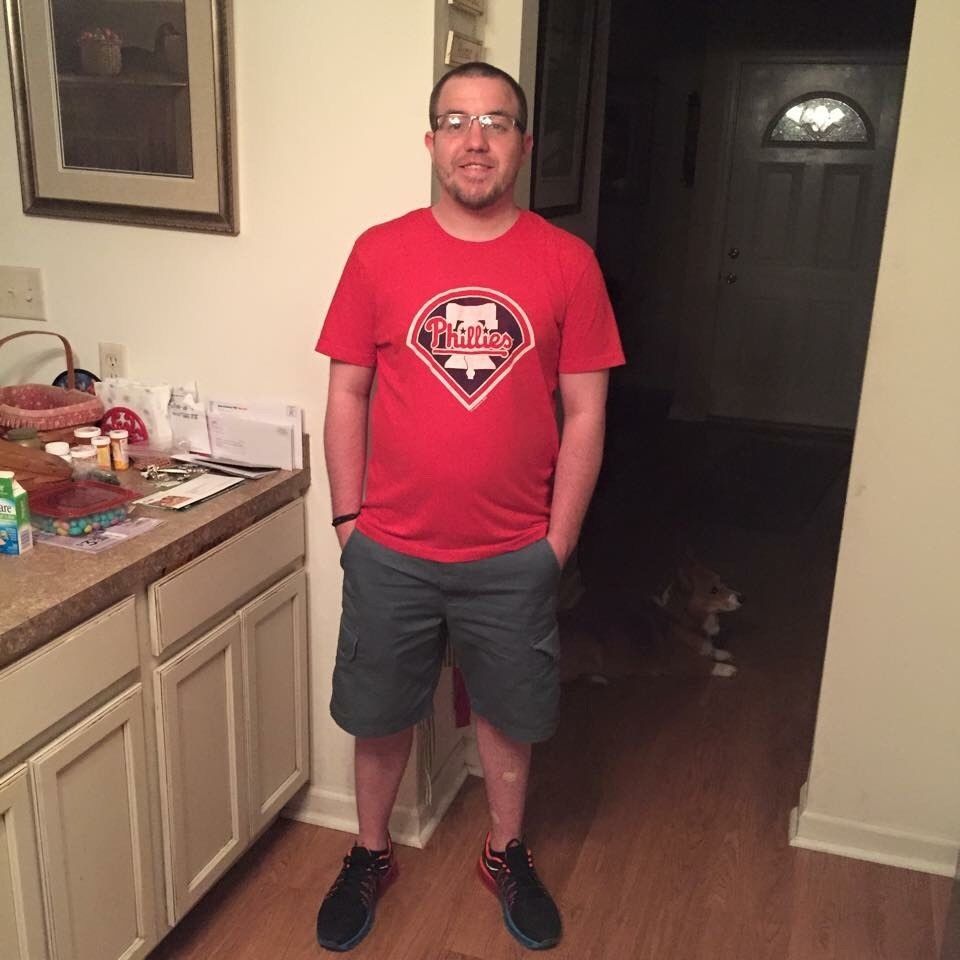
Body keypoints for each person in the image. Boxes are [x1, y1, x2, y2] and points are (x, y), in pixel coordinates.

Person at [313, 61, 625, 952]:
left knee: (510, 717)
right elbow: (347, 394)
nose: (474, 139)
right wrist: (348, 523)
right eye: (455, 121)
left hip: (513, 553)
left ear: (522, 143)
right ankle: (370, 853)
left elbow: (587, 414)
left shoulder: (568, 263)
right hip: (390, 548)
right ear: (431, 141)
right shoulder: (379, 252)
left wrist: (557, 543)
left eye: (495, 122)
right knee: (379, 713)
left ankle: (504, 851)